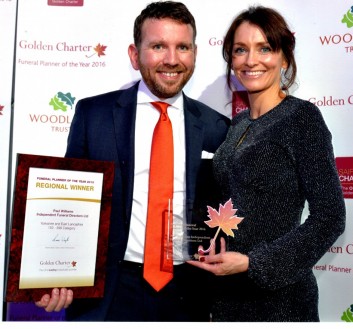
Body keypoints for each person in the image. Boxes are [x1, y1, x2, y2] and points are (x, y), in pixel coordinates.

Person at [35, 1, 230, 321]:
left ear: (194, 53)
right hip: (109, 293)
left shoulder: (217, 127)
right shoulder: (93, 115)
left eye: (182, 47)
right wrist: (55, 275)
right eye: (158, 46)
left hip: (187, 293)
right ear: (134, 54)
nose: (172, 59)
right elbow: (69, 206)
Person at [187, 6, 346, 322]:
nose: (251, 60)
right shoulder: (238, 124)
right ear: (231, 60)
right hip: (227, 294)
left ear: (284, 57)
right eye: (240, 50)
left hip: (279, 299)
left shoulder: (302, 119)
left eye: (265, 49)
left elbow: (330, 217)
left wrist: (253, 263)